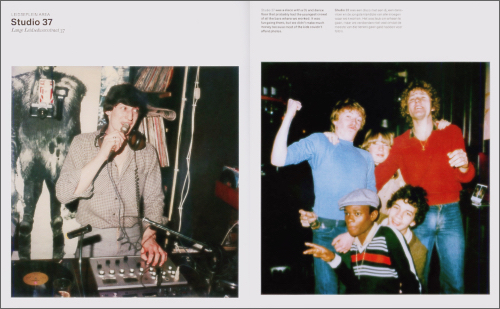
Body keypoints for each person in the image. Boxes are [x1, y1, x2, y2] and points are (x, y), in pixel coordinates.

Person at [375, 80, 475, 293]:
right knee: (417, 280)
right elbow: (379, 175)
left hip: (451, 213)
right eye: (412, 99)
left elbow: (465, 177)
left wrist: (465, 166)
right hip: (419, 215)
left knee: (455, 282)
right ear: (407, 109)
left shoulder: (451, 132)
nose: (417, 101)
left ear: (433, 106)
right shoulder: (401, 143)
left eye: (423, 97)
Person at [271, 98, 376, 294]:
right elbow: (278, 158)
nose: (354, 120)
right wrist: (289, 116)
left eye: (358, 117)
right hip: (325, 231)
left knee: (353, 292)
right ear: (335, 120)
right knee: (327, 293)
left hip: (357, 233)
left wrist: (353, 235)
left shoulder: (365, 157)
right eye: (348, 116)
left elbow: (372, 199)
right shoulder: (320, 141)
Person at [56, 83, 168, 266]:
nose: (130, 117)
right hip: (94, 238)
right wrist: (101, 155)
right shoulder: (82, 144)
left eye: (135, 111)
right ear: (108, 111)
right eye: (124, 108)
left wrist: (150, 235)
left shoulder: (147, 151)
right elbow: (63, 193)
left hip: (134, 240)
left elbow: (154, 199)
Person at [303, 188, 421, 294]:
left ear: (373, 215)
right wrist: (332, 258)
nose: (350, 219)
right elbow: (355, 284)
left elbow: (411, 281)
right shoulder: (355, 244)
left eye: (357, 213)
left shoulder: (389, 234)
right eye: (347, 213)